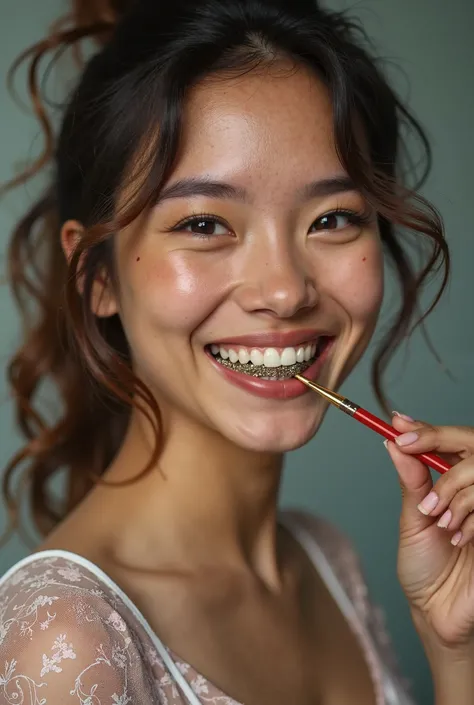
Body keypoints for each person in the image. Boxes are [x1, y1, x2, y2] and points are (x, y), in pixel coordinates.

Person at [1, 0, 474, 703]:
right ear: (96, 276)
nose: (285, 291)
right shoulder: (65, 644)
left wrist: (452, 647)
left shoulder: (324, 556)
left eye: (333, 218)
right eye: (204, 223)